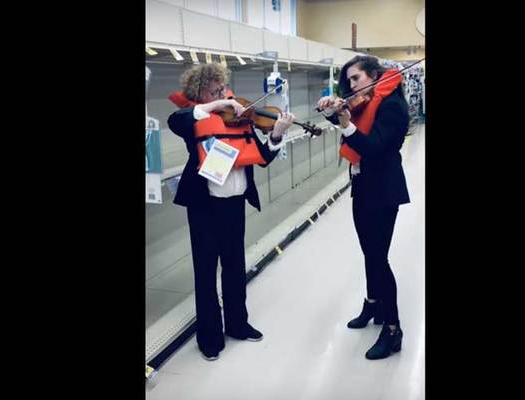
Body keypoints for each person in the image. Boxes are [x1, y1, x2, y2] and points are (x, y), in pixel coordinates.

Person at [167, 63, 294, 361]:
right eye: (213, 91)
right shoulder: (194, 118)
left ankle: (237, 323)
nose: (222, 95)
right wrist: (215, 104)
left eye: (222, 89)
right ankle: (209, 337)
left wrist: (276, 135)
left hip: (234, 205)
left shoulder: (240, 119)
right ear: (199, 94)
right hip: (205, 208)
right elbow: (177, 120)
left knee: (235, 266)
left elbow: (261, 158)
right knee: (206, 271)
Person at [317, 55, 410, 360]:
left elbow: (375, 148)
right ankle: (373, 304)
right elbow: (346, 118)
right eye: (348, 82)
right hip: (363, 187)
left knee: (378, 257)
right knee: (369, 251)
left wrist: (344, 125)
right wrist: (332, 110)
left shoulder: (392, 106)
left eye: (355, 79)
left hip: (383, 190)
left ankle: (394, 329)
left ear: (373, 76)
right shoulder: (363, 103)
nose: (351, 87)